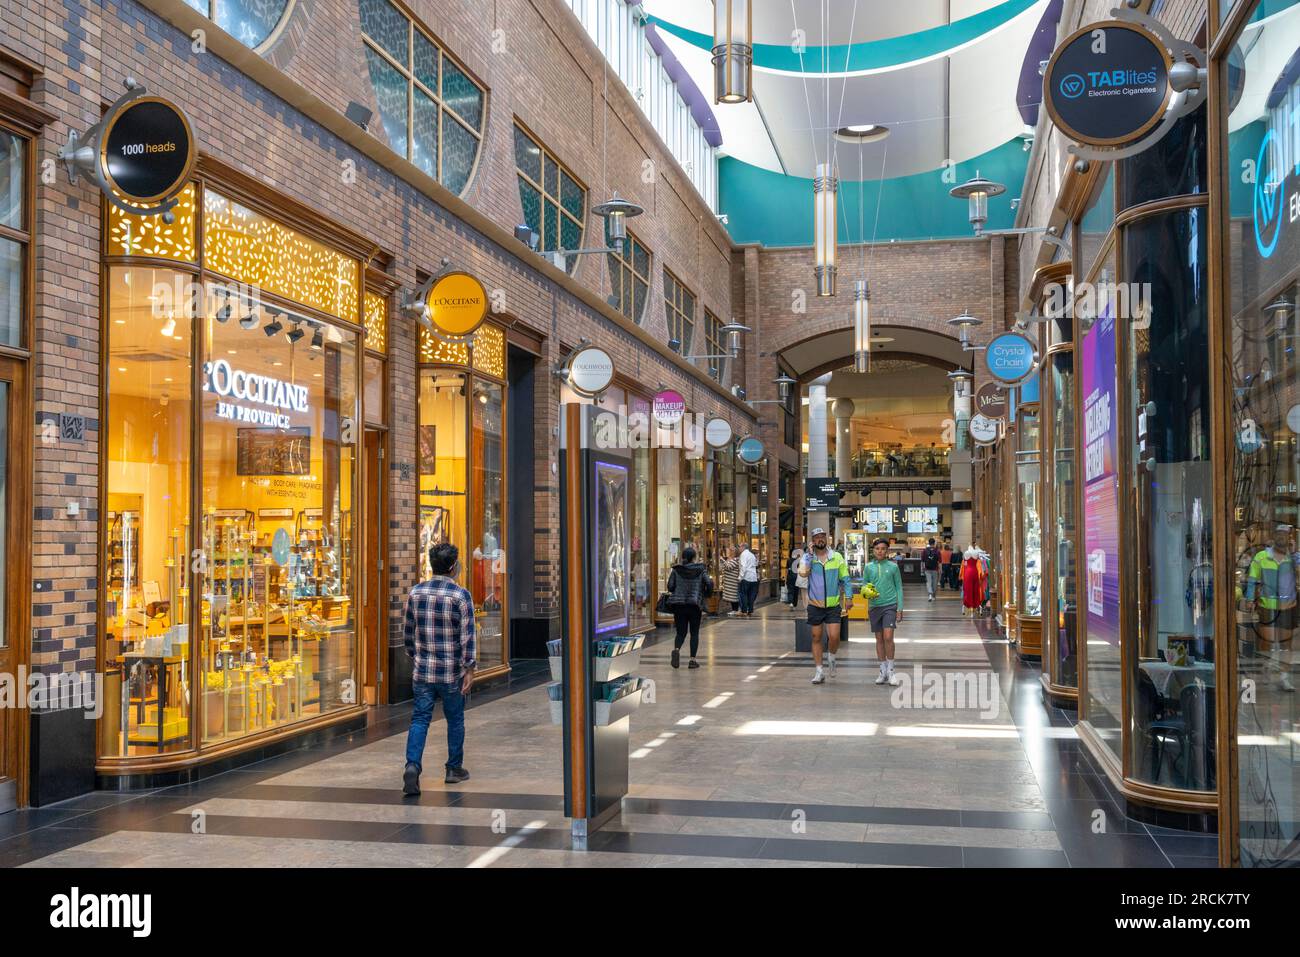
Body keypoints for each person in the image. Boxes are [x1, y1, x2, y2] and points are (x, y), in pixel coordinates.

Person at [402, 542, 476, 796]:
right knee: (455, 719)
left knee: (420, 718)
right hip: (451, 672)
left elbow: (408, 633)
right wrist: (469, 668)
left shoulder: (416, 593)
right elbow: (467, 637)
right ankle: (453, 769)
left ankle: (412, 765)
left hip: (423, 671)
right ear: (453, 566)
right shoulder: (460, 595)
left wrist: (415, 655)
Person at [1245, 525, 1297, 692]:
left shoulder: (1293, 558)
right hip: (1267, 607)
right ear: (1273, 535)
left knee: (1286, 644)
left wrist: (1295, 554)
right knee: (1266, 642)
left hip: (1288, 607)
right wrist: (1250, 598)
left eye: (1285, 534)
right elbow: (1253, 579)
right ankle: (1266, 669)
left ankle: (1284, 678)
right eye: (1279, 533)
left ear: (1290, 537)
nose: (1282, 537)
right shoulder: (1261, 557)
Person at [799, 527, 850, 684]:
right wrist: (808, 554)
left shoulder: (837, 557)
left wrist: (849, 597)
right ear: (812, 541)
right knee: (816, 637)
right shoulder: (808, 558)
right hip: (814, 604)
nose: (820, 539)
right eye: (816, 537)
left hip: (833, 604)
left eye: (823, 536)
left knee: (834, 637)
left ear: (827, 539)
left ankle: (832, 657)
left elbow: (846, 578)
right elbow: (803, 573)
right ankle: (819, 670)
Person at [861, 538, 905, 686]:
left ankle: (891, 671)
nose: (880, 551)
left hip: (890, 606)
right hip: (874, 607)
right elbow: (865, 586)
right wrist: (868, 594)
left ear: (887, 551)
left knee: (888, 637)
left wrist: (900, 608)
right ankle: (882, 670)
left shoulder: (893, 567)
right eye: (877, 548)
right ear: (873, 551)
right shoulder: (868, 567)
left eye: (883, 549)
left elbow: (899, 587)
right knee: (879, 639)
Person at [667, 546, 712, 669]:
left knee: (680, 632)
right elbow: (709, 583)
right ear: (694, 557)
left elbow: (670, 586)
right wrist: (707, 594)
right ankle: (692, 660)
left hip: (679, 605)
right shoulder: (701, 570)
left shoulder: (676, 570)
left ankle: (676, 650)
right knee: (694, 633)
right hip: (694, 605)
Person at [961, 546, 986, 618]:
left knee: (968, 590)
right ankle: (976, 605)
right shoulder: (976, 553)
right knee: (975, 590)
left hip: (968, 573)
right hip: (975, 572)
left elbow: (964, 564)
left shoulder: (966, 553)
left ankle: (969, 605)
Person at [738, 543, 759, 617]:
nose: (739, 548)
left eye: (739, 546)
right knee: (751, 595)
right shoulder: (751, 554)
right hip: (753, 578)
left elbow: (743, 567)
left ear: (743, 547)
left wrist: (740, 577)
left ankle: (744, 611)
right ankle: (750, 610)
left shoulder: (743, 554)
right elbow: (756, 564)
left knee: (743, 594)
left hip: (746, 577)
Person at [719, 546, 740, 616]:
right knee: (731, 597)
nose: (729, 551)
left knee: (734, 597)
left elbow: (729, 567)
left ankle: (735, 610)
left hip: (732, 582)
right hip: (729, 582)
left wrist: (722, 559)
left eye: (730, 550)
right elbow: (724, 566)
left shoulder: (736, 559)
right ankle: (734, 610)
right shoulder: (729, 558)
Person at [921, 537, 942, 602]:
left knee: (929, 582)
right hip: (935, 569)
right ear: (934, 543)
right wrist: (940, 569)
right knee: (934, 583)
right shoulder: (937, 551)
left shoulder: (925, 550)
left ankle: (930, 594)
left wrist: (923, 568)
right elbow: (940, 561)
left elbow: (922, 560)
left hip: (927, 569)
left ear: (929, 543)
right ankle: (933, 596)